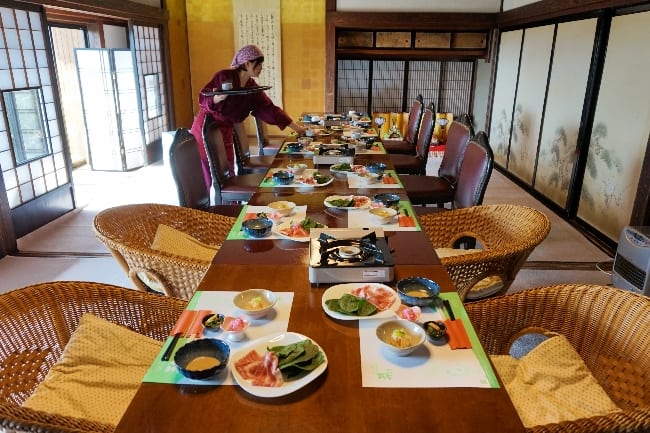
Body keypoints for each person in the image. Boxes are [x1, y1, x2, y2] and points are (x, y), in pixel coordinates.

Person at [190, 44, 304, 189]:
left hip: (226, 132)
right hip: (206, 129)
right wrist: (215, 99)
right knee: (205, 174)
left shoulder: (252, 88)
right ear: (247, 63)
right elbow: (204, 96)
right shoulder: (224, 76)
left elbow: (270, 109)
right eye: (259, 64)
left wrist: (297, 128)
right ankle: (199, 210)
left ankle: (231, 207)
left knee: (228, 174)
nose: (261, 68)